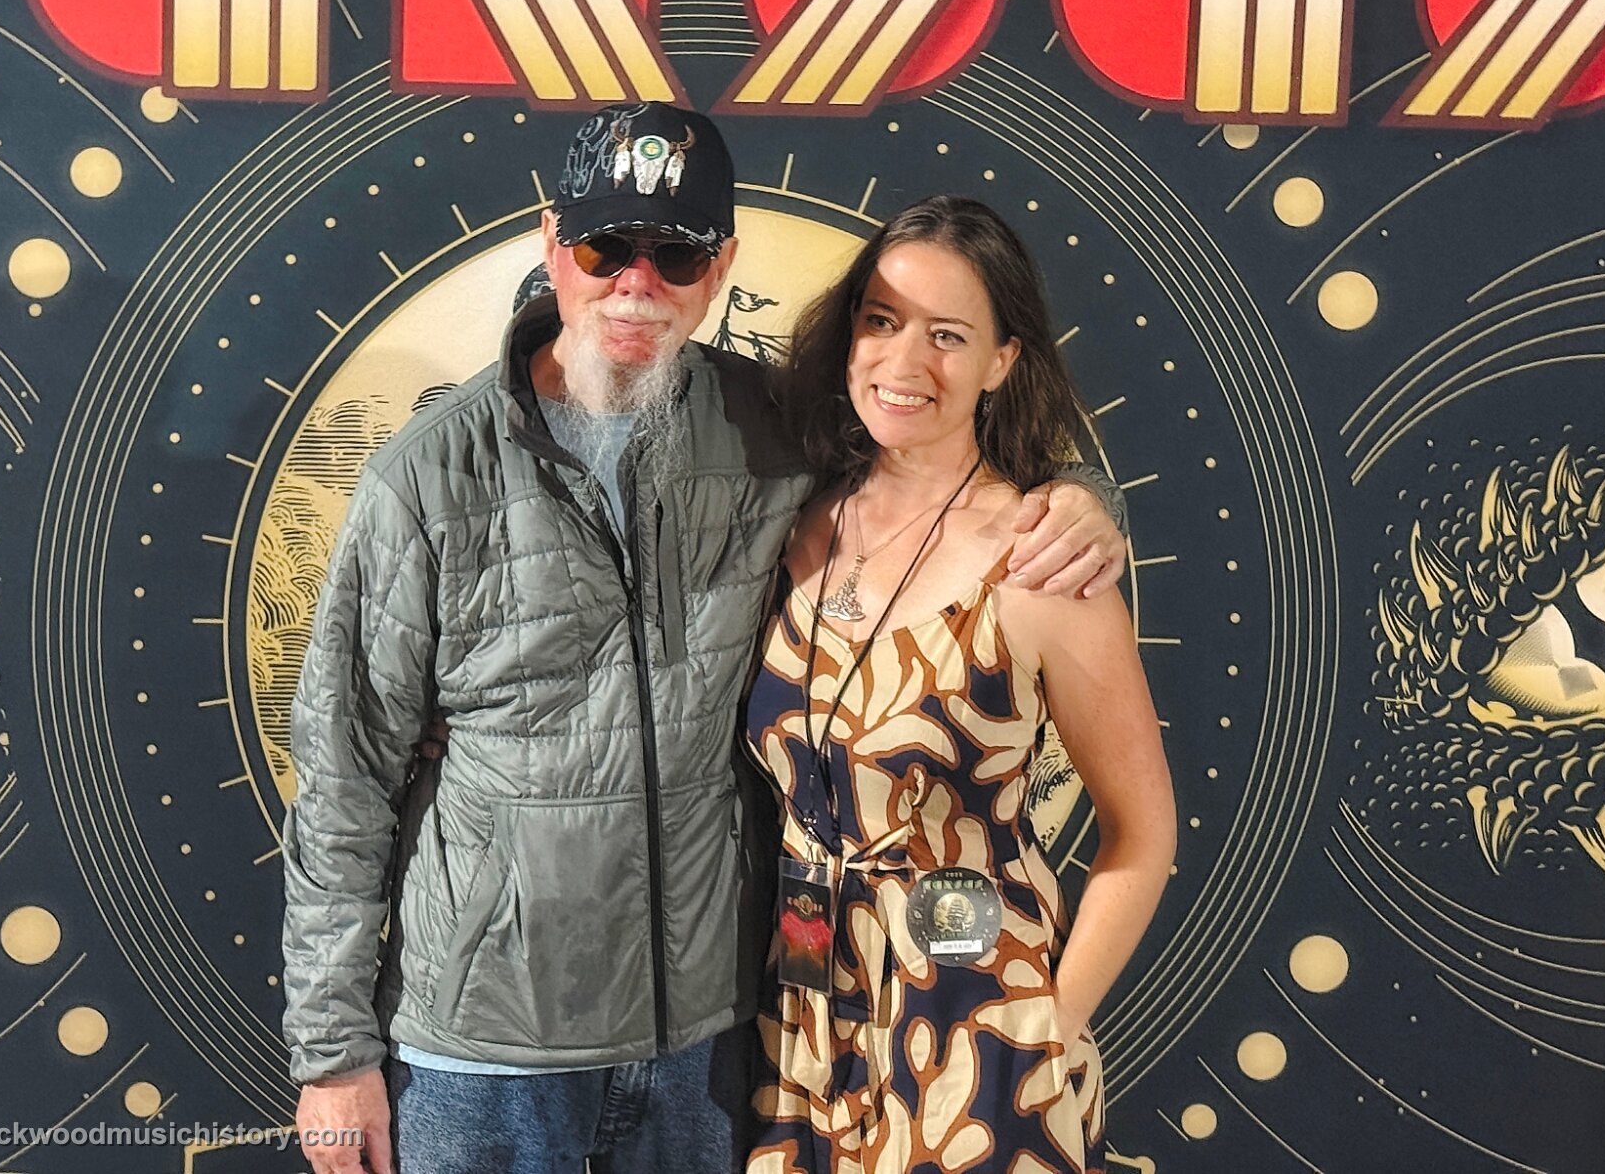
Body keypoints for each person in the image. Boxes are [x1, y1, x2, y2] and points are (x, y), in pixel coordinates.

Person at [282, 105, 1131, 1174]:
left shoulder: (769, 425)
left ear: (720, 266)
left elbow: (937, 448)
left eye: (676, 254)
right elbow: (344, 776)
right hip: (482, 1050)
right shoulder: (427, 474)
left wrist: (1082, 501)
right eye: (606, 247)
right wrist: (332, 1055)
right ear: (553, 243)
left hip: (716, 1045)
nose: (637, 283)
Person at [746, 196, 1176, 1174]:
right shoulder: (791, 523)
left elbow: (1143, 835)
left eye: (946, 335)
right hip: (799, 1028)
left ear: (1002, 361)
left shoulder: (1040, 563)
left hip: (974, 1033)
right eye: (881, 321)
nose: (903, 362)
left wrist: (1042, 1030)